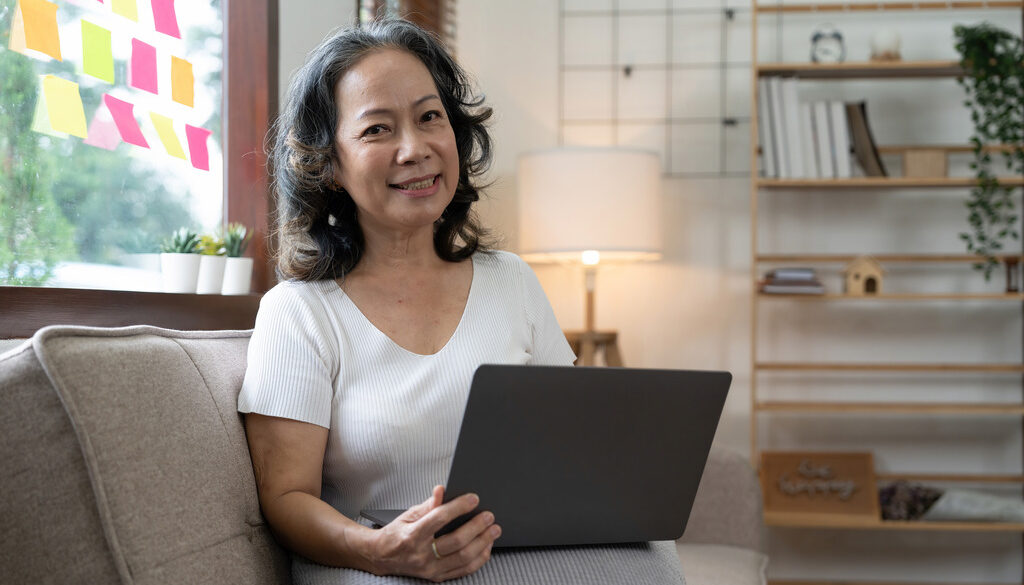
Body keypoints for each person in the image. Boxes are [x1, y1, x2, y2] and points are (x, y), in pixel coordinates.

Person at [237, 18, 686, 585]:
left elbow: (574, 449)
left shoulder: (512, 281)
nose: (415, 149)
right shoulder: (299, 312)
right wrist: (379, 549)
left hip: (523, 549)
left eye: (430, 118)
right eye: (378, 130)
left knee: (653, 559)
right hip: (378, 561)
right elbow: (286, 497)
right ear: (327, 165)